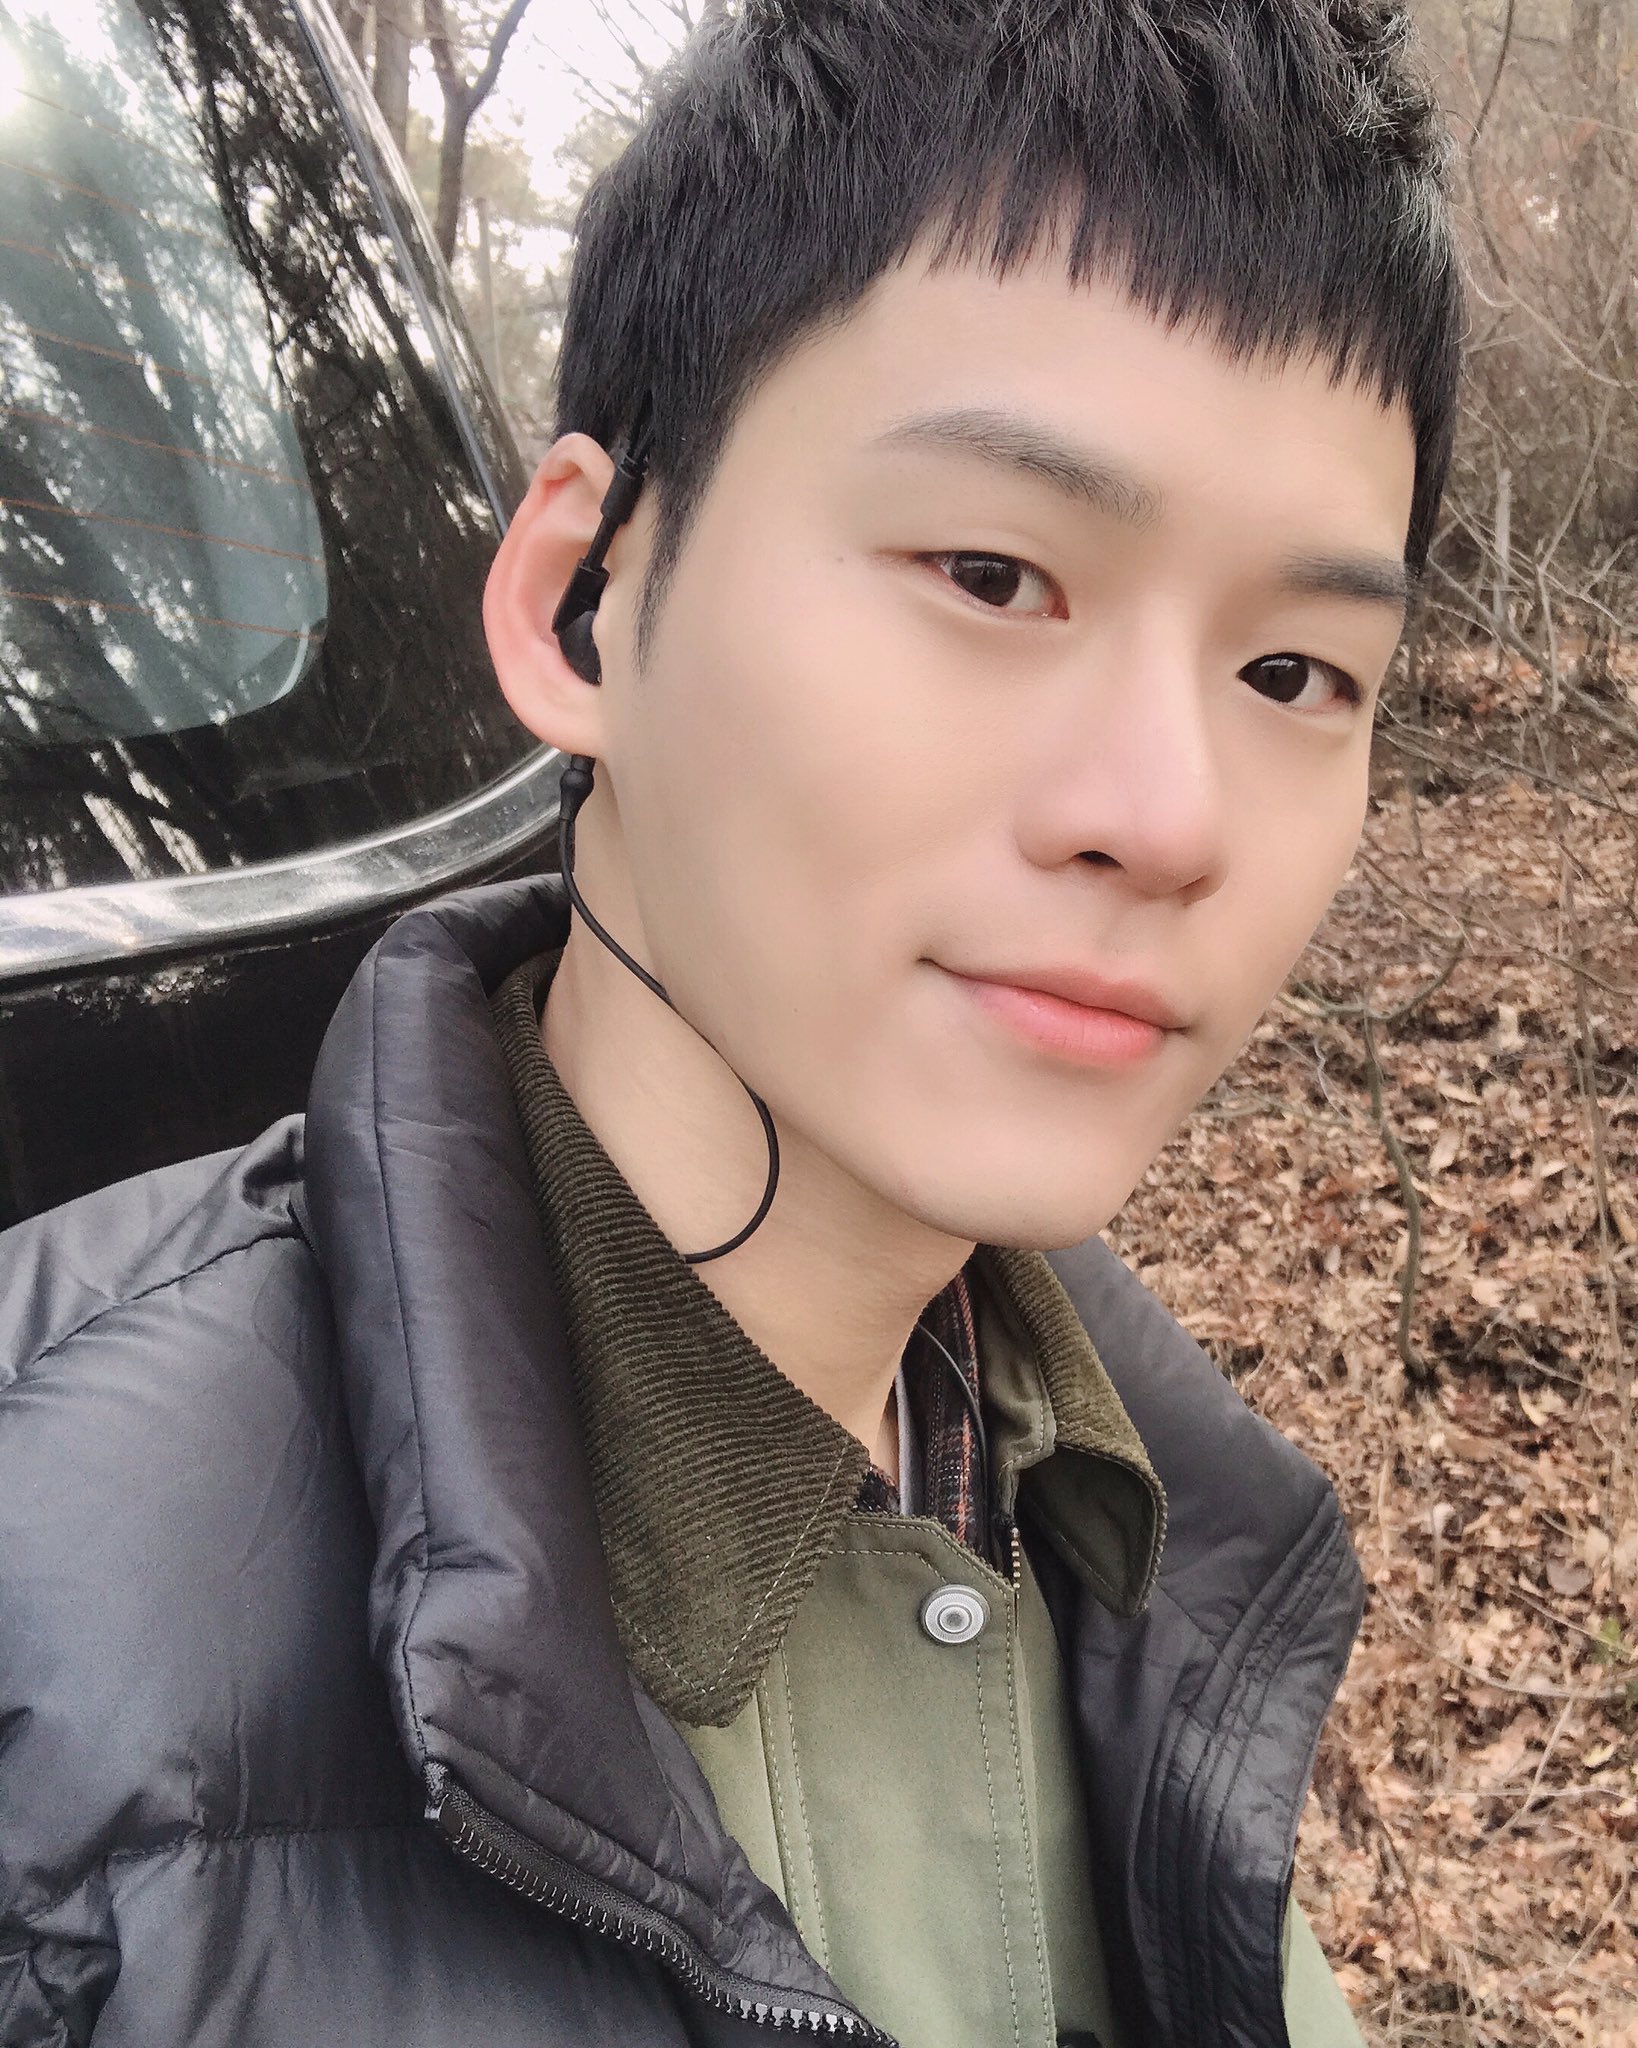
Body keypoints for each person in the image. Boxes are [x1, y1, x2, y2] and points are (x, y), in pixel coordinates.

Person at [0, 1, 1464, 2042]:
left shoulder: (1163, 1534)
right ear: (580, 601)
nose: (1169, 818)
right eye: (992, 572)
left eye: (1295, 675)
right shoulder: (48, 1623)